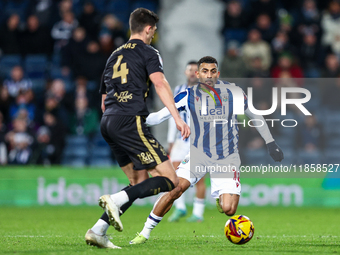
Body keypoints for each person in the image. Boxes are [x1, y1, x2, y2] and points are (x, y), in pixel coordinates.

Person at [129, 56, 284, 244]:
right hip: (198, 154)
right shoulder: (188, 95)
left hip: (227, 157)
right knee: (174, 189)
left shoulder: (233, 92)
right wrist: (131, 118)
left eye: (212, 71)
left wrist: (270, 142)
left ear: (217, 73)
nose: (209, 75)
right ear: (198, 74)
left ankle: (222, 198)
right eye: (204, 71)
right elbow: (159, 117)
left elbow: (255, 115)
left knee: (229, 209)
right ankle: (144, 233)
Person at [84, 8, 190, 249]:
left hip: (108, 122)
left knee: (138, 180)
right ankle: (115, 199)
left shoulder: (113, 55)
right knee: (170, 180)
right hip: (129, 120)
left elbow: (103, 99)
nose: (154, 35)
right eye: (154, 31)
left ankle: (98, 230)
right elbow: (160, 83)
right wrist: (177, 118)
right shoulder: (149, 52)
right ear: (149, 28)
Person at [167, 61, 206, 223]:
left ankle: (198, 213)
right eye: (189, 69)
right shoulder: (178, 90)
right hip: (181, 140)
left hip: (199, 141)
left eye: (195, 70)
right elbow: (172, 115)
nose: (192, 72)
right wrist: (170, 140)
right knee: (173, 176)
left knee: (199, 179)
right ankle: (180, 207)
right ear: (185, 72)